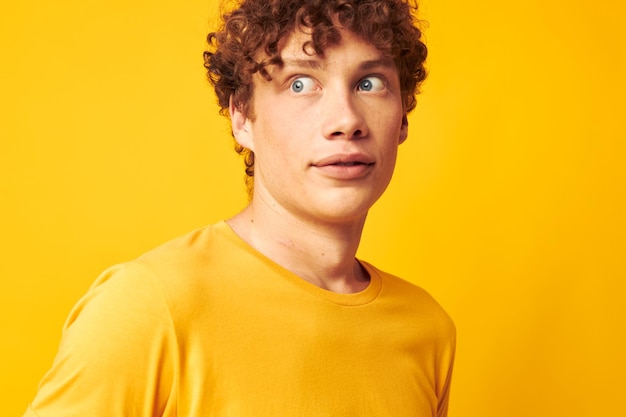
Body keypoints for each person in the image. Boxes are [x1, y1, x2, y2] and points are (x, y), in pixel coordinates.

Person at [23, 0, 456, 415]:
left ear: (401, 118)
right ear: (242, 118)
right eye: (300, 83)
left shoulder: (426, 330)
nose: (346, 120)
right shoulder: (148, 308)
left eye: (370, 83)